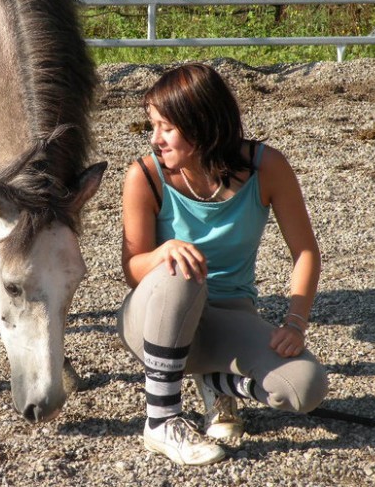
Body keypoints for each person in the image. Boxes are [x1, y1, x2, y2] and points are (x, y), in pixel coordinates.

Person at [116, 63, 328, 466]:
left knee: (305, 388)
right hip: (154, 319)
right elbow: (132, 268)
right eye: (153, 126)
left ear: (202, 125)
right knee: (182, 270)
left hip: (228, 316)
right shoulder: (144, 176)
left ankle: (215, 381)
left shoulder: (268, 166)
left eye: (166, 127)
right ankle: (162, 420)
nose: (155, 139)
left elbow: (305, 252)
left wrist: (295, 322)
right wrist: (163, 254)